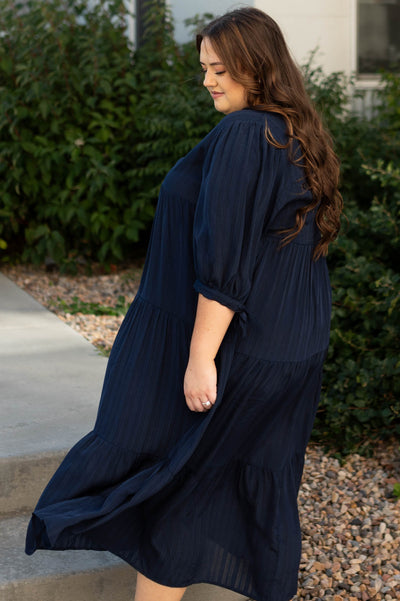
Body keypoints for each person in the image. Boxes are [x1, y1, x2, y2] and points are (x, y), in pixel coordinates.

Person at [26, 7, 343, 601]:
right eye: (204, 68)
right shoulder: (292, 129)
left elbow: (224, 261)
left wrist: (201, 357)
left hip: (241, 345)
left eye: (220, 68)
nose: (208, 81)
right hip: (289, 345)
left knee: (178, 480)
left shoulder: (247, 132)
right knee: (210, 479)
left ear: (256, 66)